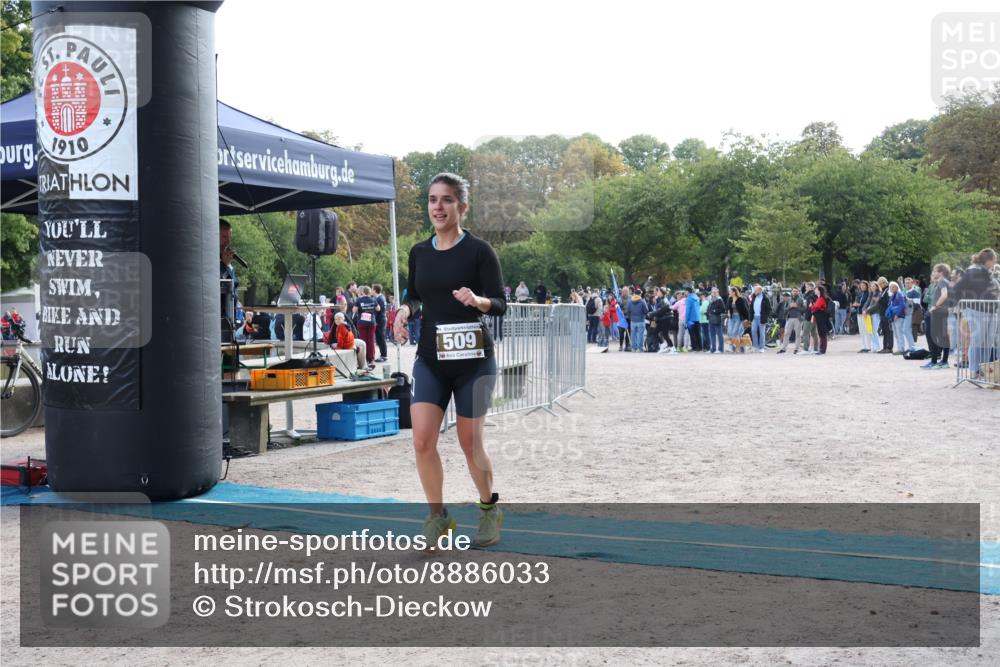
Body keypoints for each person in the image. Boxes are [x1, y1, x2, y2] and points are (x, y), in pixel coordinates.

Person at [392, 173, 506, 549]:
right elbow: (414, 295)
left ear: (462, 206)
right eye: (432, 199)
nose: (437, 207)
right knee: (422, 440)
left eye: (446, 200)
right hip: (431, 357)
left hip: (474, 361)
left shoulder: (479, 251)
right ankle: (439, 517)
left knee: (469, 443)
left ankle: (489, 509)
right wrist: (404, 311)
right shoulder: (419, 251)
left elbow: (500, 303)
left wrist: (479, 301)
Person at [922, 263, 951, 369]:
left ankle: (936, 361)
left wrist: (935, 306)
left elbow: (944, 295)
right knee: (942, 336)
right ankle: (941, 361)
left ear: (941, 273)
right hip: (941, 312)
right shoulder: (941, 282)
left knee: (936, 336)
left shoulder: (942, 282)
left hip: (939, 312)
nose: (933, 273)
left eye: (935, 271)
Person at [352, 286, 380, 366]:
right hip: (371, 322)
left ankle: (364, 360)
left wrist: (362, 308)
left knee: (363, 341)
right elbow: (378, 309)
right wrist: (371, 308)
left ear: (362, 292)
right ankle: (371, 359)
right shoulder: (373, 299)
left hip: (362, 323)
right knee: (371, 340)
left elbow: (354, 310)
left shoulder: (359, 300)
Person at [778, 288, 805, 354]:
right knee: (786, 334)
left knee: (798, 334)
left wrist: (797, 306)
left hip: (798, 319)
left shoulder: (801, 299)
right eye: (793, 291)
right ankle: (783, 348)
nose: (795, 292)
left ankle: (796, 349)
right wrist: (790, 306)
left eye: (796, 291)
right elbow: (784, 309)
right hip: (789, 318)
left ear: (798, 292)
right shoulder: (789, 299)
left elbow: (804, 309)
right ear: (791, 292)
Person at [749, 284, 771, 352]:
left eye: (756, 290)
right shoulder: (754, 297)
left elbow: (769, 309)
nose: (754, 291)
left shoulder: (765, 298)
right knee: (753, 331)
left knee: (762, 332)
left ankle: (761, 347)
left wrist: (765, 317)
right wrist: (750, 317)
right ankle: (755, 346)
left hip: (761, 317)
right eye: (754, 290)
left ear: (760, 290)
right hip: (755, 317)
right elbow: (751, 308)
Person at [810, 284, 831, 354]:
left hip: (821, 317)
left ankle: (822, 350)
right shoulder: (820, 298)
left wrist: (811, 306)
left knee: (822, 333)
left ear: (819, 291)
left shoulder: (821, 298)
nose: (814, 291)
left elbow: (815, 308)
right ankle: (821, 349)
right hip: (820, 317)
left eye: (816, 289)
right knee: (821, 333)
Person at [372, 284, 388, 362]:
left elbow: (378, 311)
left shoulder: (379, 299)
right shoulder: (381, 297)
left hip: (380, 320)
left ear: (375, 290)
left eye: (372, 289)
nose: (371, 291)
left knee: (381, 338)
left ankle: (384, 355)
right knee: (379, 338)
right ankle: (383, 354)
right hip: (381, 319)